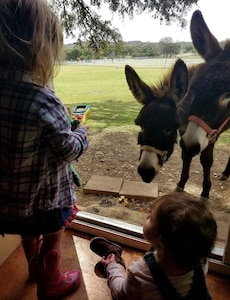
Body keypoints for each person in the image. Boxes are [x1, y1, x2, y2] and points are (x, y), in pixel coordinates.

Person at [0, 0, 88, 299]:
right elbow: (66, 150)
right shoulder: (43, 100)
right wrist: (82, 134)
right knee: (53, 234)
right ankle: (50, 283)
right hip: (46, 201)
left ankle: (34, 268)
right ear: (39, 46)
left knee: (28, 233)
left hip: (8, 204)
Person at [90, 192, 217, 300]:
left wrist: (112, 267)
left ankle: (115, 258)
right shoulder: (200, 260)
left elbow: (120, 294)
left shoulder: (141, 273)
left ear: (161, 240)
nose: (147, 216)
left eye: (151, 218)